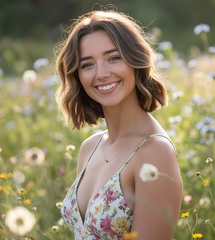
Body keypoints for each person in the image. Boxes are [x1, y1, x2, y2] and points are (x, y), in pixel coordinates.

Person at [55, 9, 182, 240]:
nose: (101, 73)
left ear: (135, 61)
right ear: (78, 75)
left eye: (113, 58)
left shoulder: (154, 152)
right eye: (87, 64)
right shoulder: (89, 147)